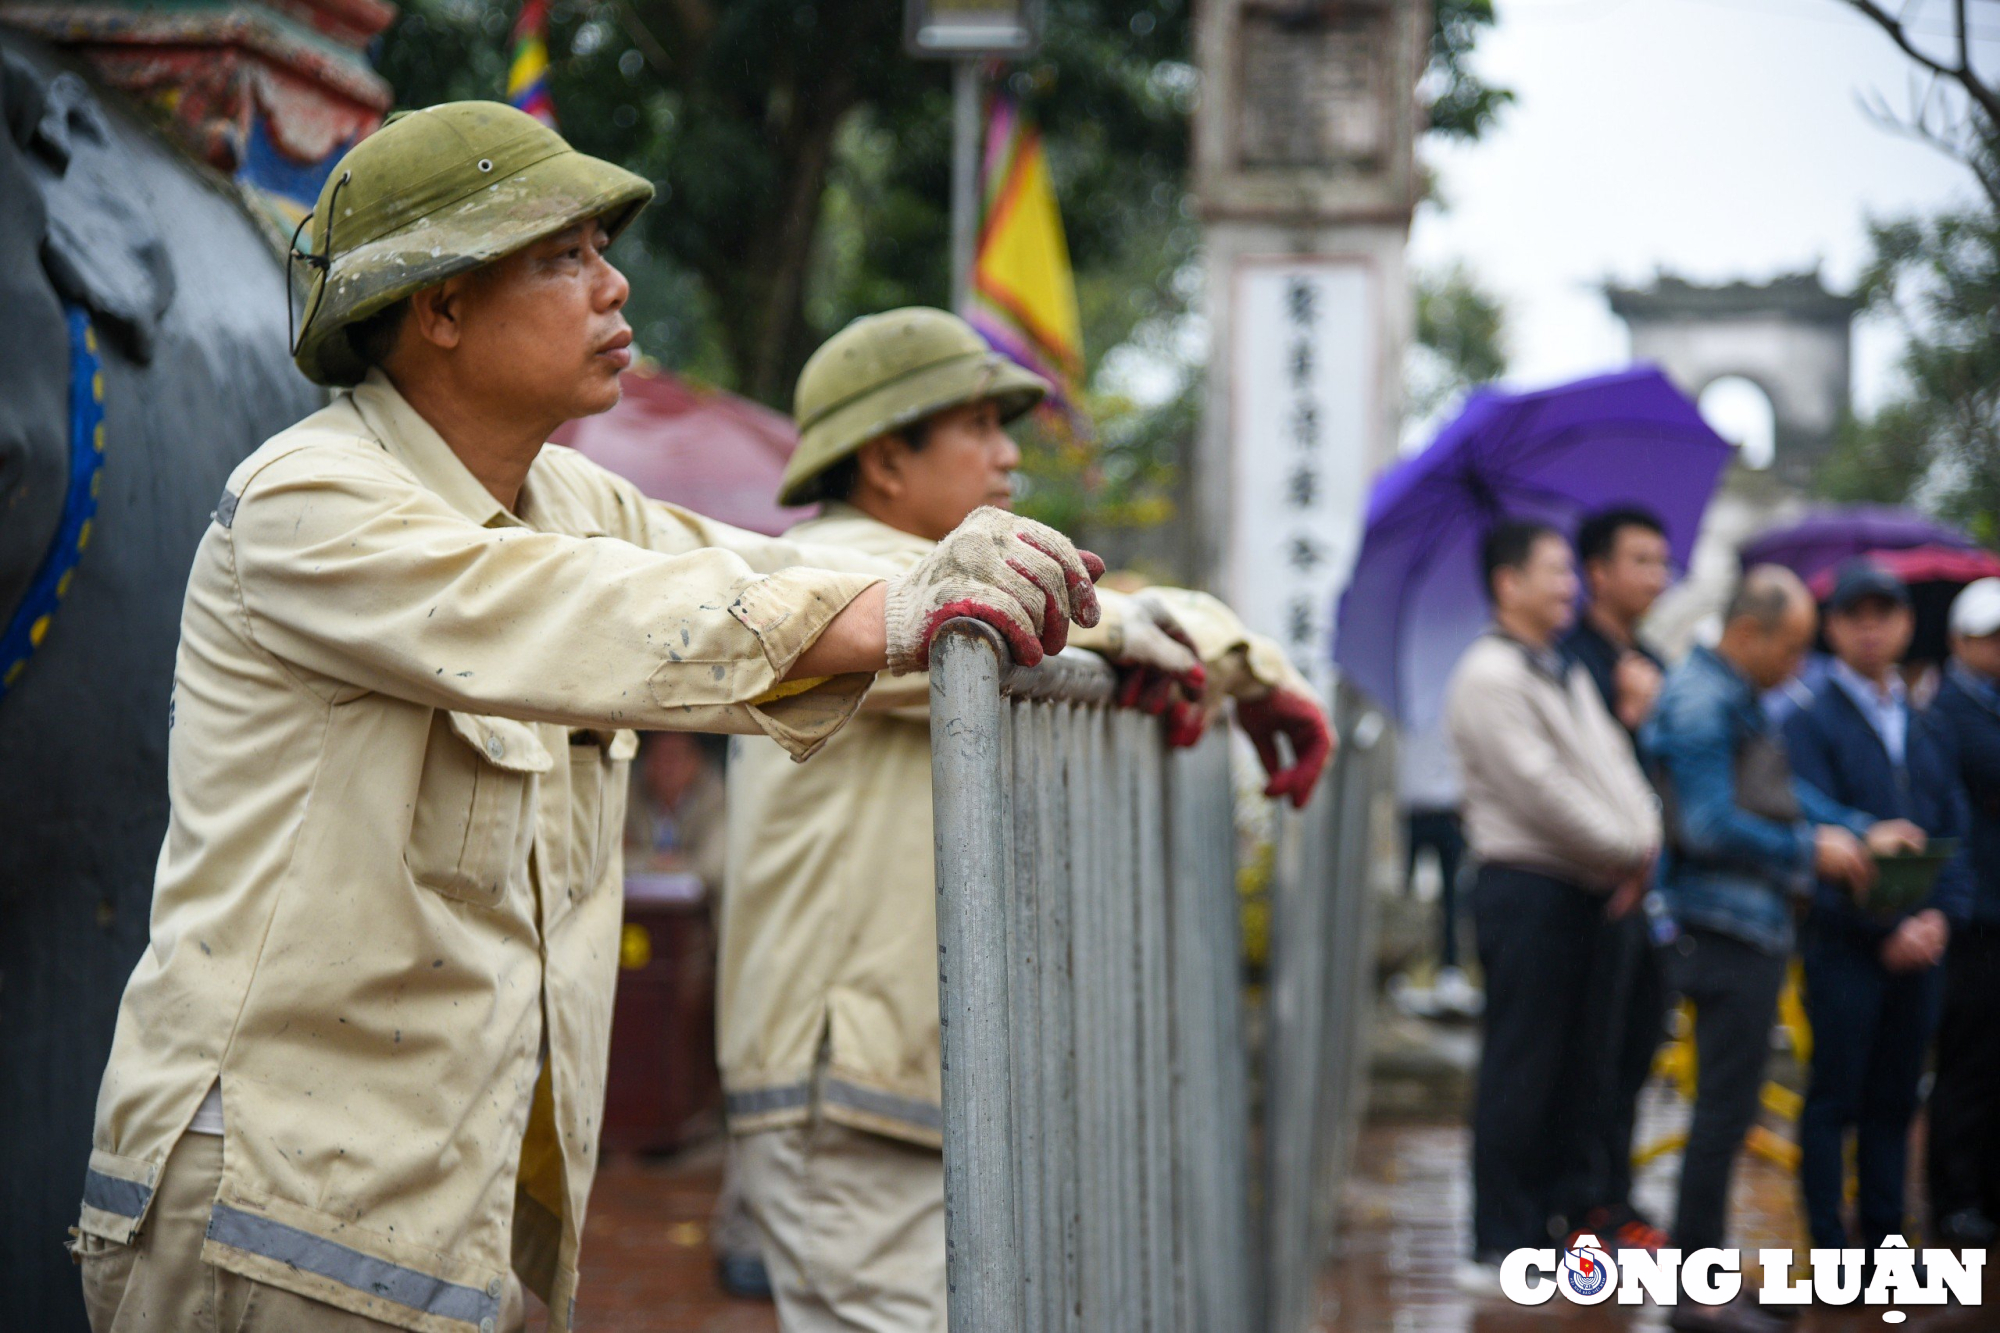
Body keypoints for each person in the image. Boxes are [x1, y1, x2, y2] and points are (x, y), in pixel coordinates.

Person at [69, 105, 1106, 1333]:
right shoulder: (309, 499)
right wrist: (904, 604)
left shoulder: (563, 497)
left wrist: (1098, 623)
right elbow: (589, 611)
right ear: (436, 309)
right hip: (269, 1223)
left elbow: (769, 578)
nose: (615, 287)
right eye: (562, 257)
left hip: (450, 1216)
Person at [716, 307, 1334, 1332]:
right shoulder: (832, 578)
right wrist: (1236, 664)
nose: (1009, 456)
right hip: (848, 1089)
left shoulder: (902, 574)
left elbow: (1092, 608)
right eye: (979, 428)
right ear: (883, 458)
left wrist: (1228, 660)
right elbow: (1073, 617)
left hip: (901, 1074)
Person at [1643, 565, 1918, 1333]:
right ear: (1750, 631)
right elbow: (1707, 825)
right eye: (1793, 647)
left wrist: (1859, 829)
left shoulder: (1738, 696)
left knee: (1726, 1114)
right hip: (1720, 928)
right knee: (1721, 1112)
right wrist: (1812, 852)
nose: (1798, 665)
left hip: (1750, 925)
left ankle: (1709, 1276)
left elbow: (1783, 793)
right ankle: (1695, 1295)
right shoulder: (1702, 700)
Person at [1444, 518, 1661, 1292]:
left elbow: (1612, 764)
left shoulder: (1558, 670)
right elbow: (1540, 791)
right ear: (1509, 584)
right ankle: (1495, 1239)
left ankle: (1551, 1225)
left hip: (1587, 890)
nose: (1572, 585)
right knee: (1521, 1068)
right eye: (1556, 571)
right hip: (1527, 889)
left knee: (1576, 1070)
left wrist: (1643, 838)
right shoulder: (1489, 676)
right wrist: (1625, 847)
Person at [1783, 562, 1968, 1255]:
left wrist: (1939, 917)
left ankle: (1886, 1240)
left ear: (1905, 622)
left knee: (1896, 1099)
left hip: (1923, 945)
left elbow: (1955, 833)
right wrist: (1886, 926)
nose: (1870, 625)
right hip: (1844, 943)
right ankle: (1832, 1247)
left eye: (1883, 611)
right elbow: (1812, 839)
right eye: (1854, 613)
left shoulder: (1925, 722)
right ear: (1830, 627)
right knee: (1835, 1097)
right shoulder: (1808, 721)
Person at [1557, 507, 1674, 1251]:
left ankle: (1618, 1194)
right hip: (1595, 888)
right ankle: (1586, 1205)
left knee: (1637, 1043)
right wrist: (1629, 714)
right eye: (1641, 560)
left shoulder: (1652, 657)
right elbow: (1585, 772)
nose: (1656, 576)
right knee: (1590, 1051)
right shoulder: (1572, 661)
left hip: (1653, 891)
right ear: (1596, 571)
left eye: (1661, 561)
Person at [1924, 577, 2000, 1249]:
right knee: (1968, 1064)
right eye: (1988, 636)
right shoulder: (1948, 711)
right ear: (1960, 641)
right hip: (1974, 914)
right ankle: (1955, 1201)